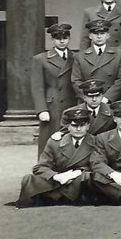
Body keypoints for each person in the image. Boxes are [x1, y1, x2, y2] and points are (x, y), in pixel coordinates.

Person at [18, 107, 97, 207]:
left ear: (88, 126)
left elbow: (99, 165)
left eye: (82, 125)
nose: (78, 129)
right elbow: (40, 167)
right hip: (59, 180)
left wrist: (78, 172)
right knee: (29, 179)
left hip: (81, 181)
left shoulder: (96, 142)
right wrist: (57, 176)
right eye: (74, 125)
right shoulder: (55, 142)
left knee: (90, 179)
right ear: (68, 127)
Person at [31, 23, 78, 153]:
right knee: (49, 139)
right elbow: (37, 87)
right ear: (52, 39)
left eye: (65, 37)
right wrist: (41, 109)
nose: (62, 41)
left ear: (69, 38)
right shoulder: (41, 59)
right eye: (58, 37)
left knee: (72, 136)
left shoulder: (76, 57)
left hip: (71, 102)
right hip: (52, 105)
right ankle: (44, 169)